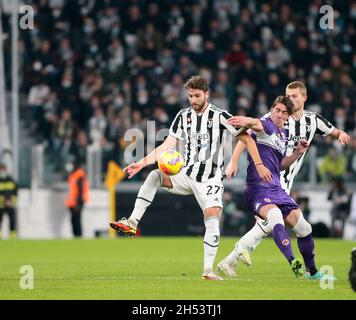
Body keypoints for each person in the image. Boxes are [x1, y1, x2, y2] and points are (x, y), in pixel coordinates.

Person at [109, 75, 272, 280]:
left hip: (210, 179)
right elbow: (167, 145)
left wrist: (256, 164)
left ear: (206, 94)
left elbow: (246, 138)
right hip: (186, 173)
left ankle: (207, 270)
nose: (193, 100)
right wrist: (142, 162)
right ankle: (133, 222)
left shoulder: (219, 116)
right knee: (154, 175)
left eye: (197, 96)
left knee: (212, 218)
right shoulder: (183, 116)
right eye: (190, 96)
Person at [218, 80, 351, 278]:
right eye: (287, 95)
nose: (290, 99)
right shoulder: (272, 119)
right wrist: (234, 161)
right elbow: (248, 134)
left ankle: (234, 257)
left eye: (294, 96)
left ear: (304, 98)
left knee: (286, 225)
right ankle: (235, 256)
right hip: (268, 181)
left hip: (282, 182)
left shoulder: (312, 121)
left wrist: (341, 134)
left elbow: (333, 131)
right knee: (271, 221)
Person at [219, 96, 315, 278]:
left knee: (304, 228)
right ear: (272, 109)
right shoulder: (267, 124)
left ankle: (313, 272)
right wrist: (244, 121)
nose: (279, 115)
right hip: (258, 188)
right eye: (276, 110)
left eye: (283, 113)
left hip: (277, 189)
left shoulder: (282, 135)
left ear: (288, 117)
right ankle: (292, 260)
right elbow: (254, 125)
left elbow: (280, 164)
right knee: (274, 217)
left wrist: (297, 153)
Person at [65, 159, 89, 237]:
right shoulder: (73, 174)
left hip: (77, 202)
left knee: (77, 220)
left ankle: (78, 236)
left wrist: (78, 203)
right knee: (74, 220)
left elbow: (80, 190)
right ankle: (76, 236)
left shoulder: (79, 175)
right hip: (73, 202)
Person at [0, 164, 18, 239]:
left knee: (12, 220)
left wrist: (11, 202)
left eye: (3, 169)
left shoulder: (11, 180)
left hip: (10, 205)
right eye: (1, 169)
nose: (2, 171)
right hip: (0, 205)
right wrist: (3, 201)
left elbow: (15, 193)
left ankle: (12, 237)